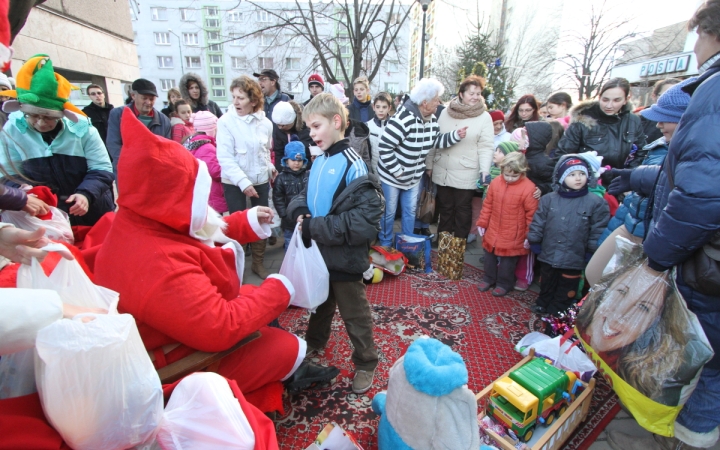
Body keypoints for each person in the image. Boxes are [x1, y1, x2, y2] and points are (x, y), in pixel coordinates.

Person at [94, 108, 339, 415]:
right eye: (194, 192)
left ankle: (282, 363)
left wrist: (244, 221)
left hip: (179, 330)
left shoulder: (142, 219)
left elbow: (194, 229)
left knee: (255, 301)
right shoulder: (157, 266)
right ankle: (286, 372)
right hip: (178, 355)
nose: (202, 201)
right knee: (284, 347)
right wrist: (280, 288)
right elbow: (218, 328)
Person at [607, 2, 720, 447]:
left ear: (711, 34)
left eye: (697, 37)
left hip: (705, 263)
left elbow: (701, 196)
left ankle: (685, 436)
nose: (693, 49)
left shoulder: (713, 90)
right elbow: (691, 174)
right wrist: (635, 177)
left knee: (700, 355)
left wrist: (655, 259)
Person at [286, 92, 383, 394]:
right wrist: (300, 211)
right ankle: (315, 342)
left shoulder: (354, 164)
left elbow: (363, 222)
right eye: (309, 128)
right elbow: (307, 196)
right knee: (320, 305)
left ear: (336, 121)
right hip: (320, 254)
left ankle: (366, 363)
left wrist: (316, 226)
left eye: (316, 127)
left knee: (355, 314)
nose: (311, 134)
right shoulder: (318, 160)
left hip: (346, 257)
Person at [588, 80, 693, 286]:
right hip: (632, 218)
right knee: (595, 275)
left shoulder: (694, 151)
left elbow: (682, 185)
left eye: (665, 119)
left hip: (655, 233)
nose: (658, 125)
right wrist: (634, 177)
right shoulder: (661, 145)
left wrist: (636, 176)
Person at [576, 249, 710, 408]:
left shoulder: (649, 376)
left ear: (656, 326)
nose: (620, 313)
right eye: (621, 292)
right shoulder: (579, 328)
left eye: (643, 308)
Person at [0, 55, 114, 227]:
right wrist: (23, 195)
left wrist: (86, 194)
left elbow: (102, 168)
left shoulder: (83, 129)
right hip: (46, 216)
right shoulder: (13, 130)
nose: (40, 122)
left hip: (93, 210)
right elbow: (8, 173)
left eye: (47, 117)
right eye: (33, 116)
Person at [376, 78, 466, 246]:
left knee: (410, 212)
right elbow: (384, 146)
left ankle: (407, 244)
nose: (439, 103)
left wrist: (455, 136)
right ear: (425, 102)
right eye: (436, 99)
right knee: (389, 213)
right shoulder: (403, 118)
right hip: (392, 177)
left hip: (413, 178)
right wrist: (398, 171)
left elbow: (435, 141)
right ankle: (385, 243)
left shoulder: (431, 120)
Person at [527, 154, 610, 315]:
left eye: (582, 174)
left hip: (575, 255)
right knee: (547, 281)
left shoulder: (595, 202)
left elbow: (598, 229)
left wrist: (591, 251)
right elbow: (539, 221)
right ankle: (543, 302)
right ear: (561, 177)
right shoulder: (549, 199)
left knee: (567, 285)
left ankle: (558, 309)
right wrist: (534, 240)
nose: (578, 178)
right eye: (572, 175)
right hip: (549, 252)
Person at [216, 76, 276, 280]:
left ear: (253, 100)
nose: (235, 102)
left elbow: (264, 151)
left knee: (262, 220)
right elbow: (224, 157)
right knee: (237, 224)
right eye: (233, 97)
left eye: (240, 98)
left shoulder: (266, 123)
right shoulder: (225, 122)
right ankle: (235, 268)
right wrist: (243, 183)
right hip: (233, 182)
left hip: (259, 180)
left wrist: (270, 166)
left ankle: (257, 264)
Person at [425, 75, 494, 242]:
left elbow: (486, 147)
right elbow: (435, 139)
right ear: (461, 94)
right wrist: (429, 164)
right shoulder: (445, 112)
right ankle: (443, 246)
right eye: (472, 93)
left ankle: (457, 249)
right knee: (445, 209)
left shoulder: (484, 117)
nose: (475, 97)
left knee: (462, 210)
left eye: (478, 93)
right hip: (443, 169)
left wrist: (484, 171)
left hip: (466, 171)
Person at [555, 78, 647, 179]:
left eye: (616, 100)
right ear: (599, 97)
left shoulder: (633, 121)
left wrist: (626, 177)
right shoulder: (582, 119)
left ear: (626, 100)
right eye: (605, 99)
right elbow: (563, 155)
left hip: (620, 183)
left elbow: (641, 153)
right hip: (587, 183)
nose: (609, 105)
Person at [476, 152, 538, 297]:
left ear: (522, 172)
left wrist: (530, 235)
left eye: (514, 176)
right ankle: (489, 278)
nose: (510, 178)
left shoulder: (529, 188)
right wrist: (483, 223)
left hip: (514, 233)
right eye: (507, 174)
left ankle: (504, 283)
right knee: (489, 257)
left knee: (507, 263)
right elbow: (488, 205)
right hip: (493, 228)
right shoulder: (496, 182)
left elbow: (532, 215)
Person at [106, 78, 172, 179]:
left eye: (151, 99)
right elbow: (113, 144)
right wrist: (130, 164)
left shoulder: (164, 120)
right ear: (133, 96)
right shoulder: (118, 114)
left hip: (154, 173)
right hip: (127, 172)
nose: (148, 102)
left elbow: (166, 149)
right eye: (144, 98)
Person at [184, 111, 227, 215]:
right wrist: (229, 167)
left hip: (206, 194)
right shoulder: (206, 147)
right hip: (213, 195)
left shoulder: (192, 144)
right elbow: (216, 172)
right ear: (211, 130)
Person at [272, 140, 309, 250]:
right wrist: (284, 215)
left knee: (306, 245)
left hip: (306, 220)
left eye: (299, 160)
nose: (296, 163)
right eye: (293, 160)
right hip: (289, 221)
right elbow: (277, 199)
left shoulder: (308, 175)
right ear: (286, 160)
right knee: (290, 245)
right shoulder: (281, 178)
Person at [270, 101, 314, 172]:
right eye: (278, 125)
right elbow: (278, 152)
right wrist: (282, 172)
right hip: (286, 172)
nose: (280, 128)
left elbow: (310, 152)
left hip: (305, 170)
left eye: (284, 125)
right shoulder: (278, 129)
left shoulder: (306, 127)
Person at [637, 78, 681, 143]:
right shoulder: (640, 120)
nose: (671, 101)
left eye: (677, 97)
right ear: (654, 96)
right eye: (665, 96)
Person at [366, 92, 392, 173]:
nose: (381, 110)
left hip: (390, 172)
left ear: (389, 108)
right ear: (373, 107)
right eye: (378, 107)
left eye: (384, 107)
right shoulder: (367, 126)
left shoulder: (394, 126)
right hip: (373, 170)